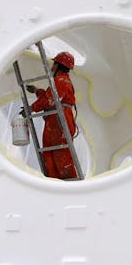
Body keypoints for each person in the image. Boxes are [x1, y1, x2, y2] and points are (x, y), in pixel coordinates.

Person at [26, 51, 78, 180]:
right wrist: (37, 91)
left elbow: (50, 100)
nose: (52, 66)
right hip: (57, 120)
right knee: (52, 151)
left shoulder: (60, 80)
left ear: (58, 65)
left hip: (60, 121)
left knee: (60, 153)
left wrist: (31, 108)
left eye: (54, 63)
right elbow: (50, 97)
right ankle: (55, 180)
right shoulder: (61, 81)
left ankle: (66, 182)